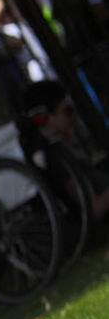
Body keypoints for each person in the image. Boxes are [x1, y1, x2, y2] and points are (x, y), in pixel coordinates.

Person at [23, 80, 109, 221]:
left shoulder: (62, 149)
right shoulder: (56, 159)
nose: (73, 117)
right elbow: (93, 209)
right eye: (67, 111)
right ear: (46, 117)